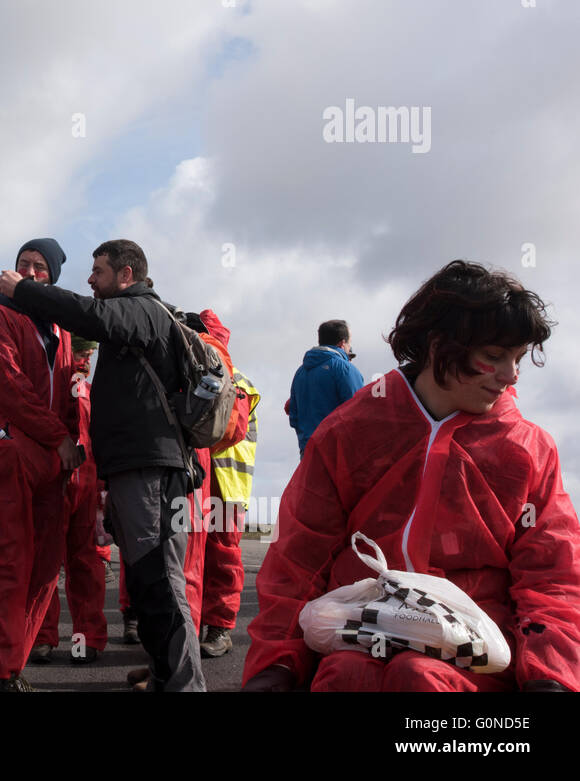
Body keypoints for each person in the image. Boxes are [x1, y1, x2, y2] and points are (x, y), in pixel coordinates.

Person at [244, 260, 580, 692]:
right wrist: (278, 666)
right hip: (357, 637)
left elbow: (552, 575)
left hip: (474, 654)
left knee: (418, 677)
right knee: (348, 675)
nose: (512, 375)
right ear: (440, 345)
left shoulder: (529, 450)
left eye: (517, 359)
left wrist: (549, 678)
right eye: (494, 357)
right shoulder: (350, 431)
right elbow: (299, 557)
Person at [0, 238, 205, 691]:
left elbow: (89, 317)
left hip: (151, 472)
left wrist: (24, 291)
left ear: (126, 275)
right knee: (149, 580)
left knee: (162, 582)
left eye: (98, 271)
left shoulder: (142, 309)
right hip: (135, 471)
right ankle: (164, 673)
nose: (89, 280)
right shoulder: (134, 315)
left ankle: (187, 686)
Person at [0, 238, 80, 691]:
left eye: (40, 267)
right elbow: (9, 387)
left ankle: (13, 663)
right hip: (8, 448)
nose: (31, 272)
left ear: (52, 278)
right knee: (7, 561)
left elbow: (71, 389)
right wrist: (60, 438)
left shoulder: (61, 330)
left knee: (44, 565)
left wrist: (73, 444)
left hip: (52, 462)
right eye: (23, 264)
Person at [31, 336, 108, 665]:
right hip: (62, 483)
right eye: (82, 350)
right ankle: (54, 637)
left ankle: (56, 638)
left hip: (79, 486)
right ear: (68, 350)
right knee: (62, 564)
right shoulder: (68, 388)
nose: (88, 357)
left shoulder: (87, 390)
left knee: (75, 564)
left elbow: (99, 440)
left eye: (91, 352)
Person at [198, 366, 259, 659]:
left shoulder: (233, 379)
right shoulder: (204, 371)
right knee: (193, 559)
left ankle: (219, 629)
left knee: (222, 558)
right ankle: (192, 627)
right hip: (201, 482)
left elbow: (232, 429)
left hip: (225, 484)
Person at [288, 319, 364, 456]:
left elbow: (293, 416)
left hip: (308, 452)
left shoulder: (300, 373)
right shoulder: (345, 369)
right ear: (342, 343)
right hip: (337, 453)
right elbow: (358, 414)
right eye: (349, 343)